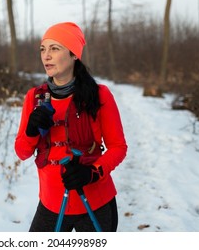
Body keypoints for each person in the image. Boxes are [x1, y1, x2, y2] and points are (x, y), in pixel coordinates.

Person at [14, 22, 127, 232]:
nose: (46, 56)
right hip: (51, 205)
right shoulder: (35, 97)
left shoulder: (99, 94)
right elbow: (22, 152)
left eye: (54, 48)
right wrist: (30, 132)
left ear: (74, 54)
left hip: (95, 203)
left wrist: (92, 173)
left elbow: (118, 147)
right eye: (43, 49)